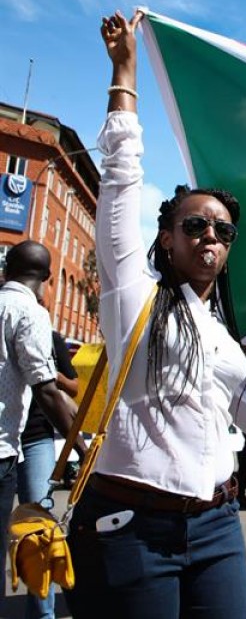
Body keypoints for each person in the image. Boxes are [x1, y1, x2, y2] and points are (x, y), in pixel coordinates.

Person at [65, 11, 246, 618]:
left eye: (223, 229)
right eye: (194, 224)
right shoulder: (134, 297)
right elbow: (120, 184)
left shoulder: (230, 339)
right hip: (132, 528)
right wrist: (125, 72)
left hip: (218, 527)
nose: (210, 234)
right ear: (166, 239)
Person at [0, 248, 86, 615]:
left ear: (6, 268)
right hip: (3, 446)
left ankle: (43, 612)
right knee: (32, 533)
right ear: (49, 277)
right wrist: (82, 448)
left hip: (27, 440)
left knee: (37, 526)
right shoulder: (29, 312)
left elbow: (67, 386)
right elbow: (47, 390)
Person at [17, 329, 79, 619]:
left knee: (38, 527)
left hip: (35, 437)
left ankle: (43, 613)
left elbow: (74, 386)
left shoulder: (49, 336)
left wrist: (50, 374)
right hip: (6, 432)